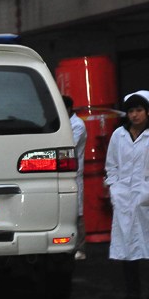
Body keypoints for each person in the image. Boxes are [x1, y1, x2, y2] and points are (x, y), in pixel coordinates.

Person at [105, 90, 149, 299]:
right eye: (131, 111)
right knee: (127, 246)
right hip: (124, 198)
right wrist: (114, 187)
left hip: (147, 198)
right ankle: (132, 294)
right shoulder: (118, 135)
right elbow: (111, 165)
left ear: (147, 112)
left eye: (139, 110)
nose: (134, 115)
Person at [63, 95, 88, 260]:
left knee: (77, 213)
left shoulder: (77, 125)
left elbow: (69, 144)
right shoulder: (65, 123)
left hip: (74, 173)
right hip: (64, 173)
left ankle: (81, 248)